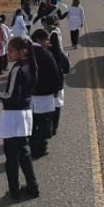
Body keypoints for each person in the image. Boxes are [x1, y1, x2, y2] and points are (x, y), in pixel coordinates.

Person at [0, 37, 39, 200]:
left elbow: (11, 95)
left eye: (11, 51)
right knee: (24, 151)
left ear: (22, 51)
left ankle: (14, 190)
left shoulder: (17, 69)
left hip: (13, 114)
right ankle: (33, 186)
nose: (8, 54)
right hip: (26, 111)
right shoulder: (32, 64)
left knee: (11, 155)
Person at [29, 29, 61, 158]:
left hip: (30, 95)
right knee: (43, 122)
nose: (46, 43)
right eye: (45, 40)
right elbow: (55, 74)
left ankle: (31, 145)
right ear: (38, 40)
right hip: (44, 95)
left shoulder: (26, 53)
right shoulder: (46, 54)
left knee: (31, 122)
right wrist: (55, 90)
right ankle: (41, 147)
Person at [44, 18, 70, 136]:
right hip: (58, 83)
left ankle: (48, 128)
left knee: (49, 106)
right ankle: (54, 128)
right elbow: (67, 68)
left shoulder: (47, 53)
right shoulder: (60, 54)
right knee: (57, 105)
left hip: (48, 83)